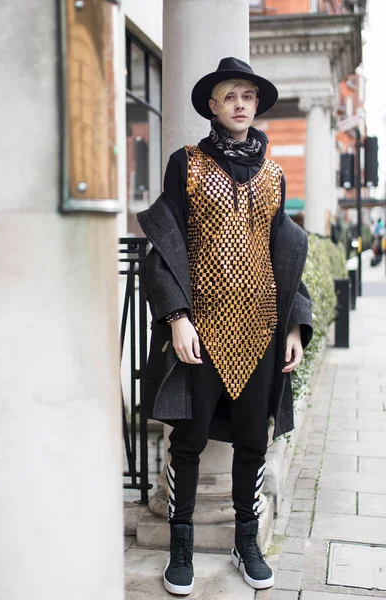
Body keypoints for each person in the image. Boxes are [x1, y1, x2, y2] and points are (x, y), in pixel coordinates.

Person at [137, 57, 313, 595]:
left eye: (247, 95)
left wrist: (292, 326)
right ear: (212, 106)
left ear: (256, 104)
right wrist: (176, 316)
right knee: (187, 439)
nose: (239, 103)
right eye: (228, 95)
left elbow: (284, 255)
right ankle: (182, 545)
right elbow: (164, 246)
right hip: (203, 327)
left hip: (261, 325)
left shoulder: (275, 173)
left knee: (251, 440)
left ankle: (246, 540)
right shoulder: (185, 164)